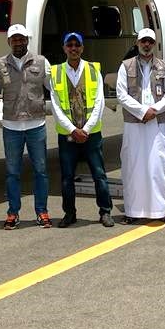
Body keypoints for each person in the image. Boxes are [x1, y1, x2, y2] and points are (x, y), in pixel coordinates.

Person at [49, 32, 115, 228]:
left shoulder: (94, 69)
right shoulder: (56, 72)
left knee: (99, 175)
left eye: (77, 45)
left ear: (82, 48)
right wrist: (72, 130)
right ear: (64, 48)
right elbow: (55, 106)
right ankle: (70, 214)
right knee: (67, 178)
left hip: (91, 133)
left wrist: (85, 129)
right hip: (67, 135)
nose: (73, 48)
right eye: (69, 45)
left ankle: (105, 211)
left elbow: (99, 103)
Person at [0, 24, 53, 230]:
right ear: (9, 42)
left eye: (21, 38)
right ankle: (13, 213)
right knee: (12, 172)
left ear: (27, 40)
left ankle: (42, 211)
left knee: (41, 171)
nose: (18, 42)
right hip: (11, 126)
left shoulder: (41, 62)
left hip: (36, 124)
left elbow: (53, 89)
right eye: (14, 39)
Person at [115, 28, 165, 224]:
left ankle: (159, 211)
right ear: (137, 43)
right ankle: (133, 211)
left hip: (157, 123)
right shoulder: (126, 66)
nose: (147, 45)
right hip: (135, 123)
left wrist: (154, 110)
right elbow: (121, 94)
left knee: (157, 167)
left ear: (154, 43)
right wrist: (142, 111)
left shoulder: (164, 67)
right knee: (133, 166)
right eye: (143, 41)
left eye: (150, 41)